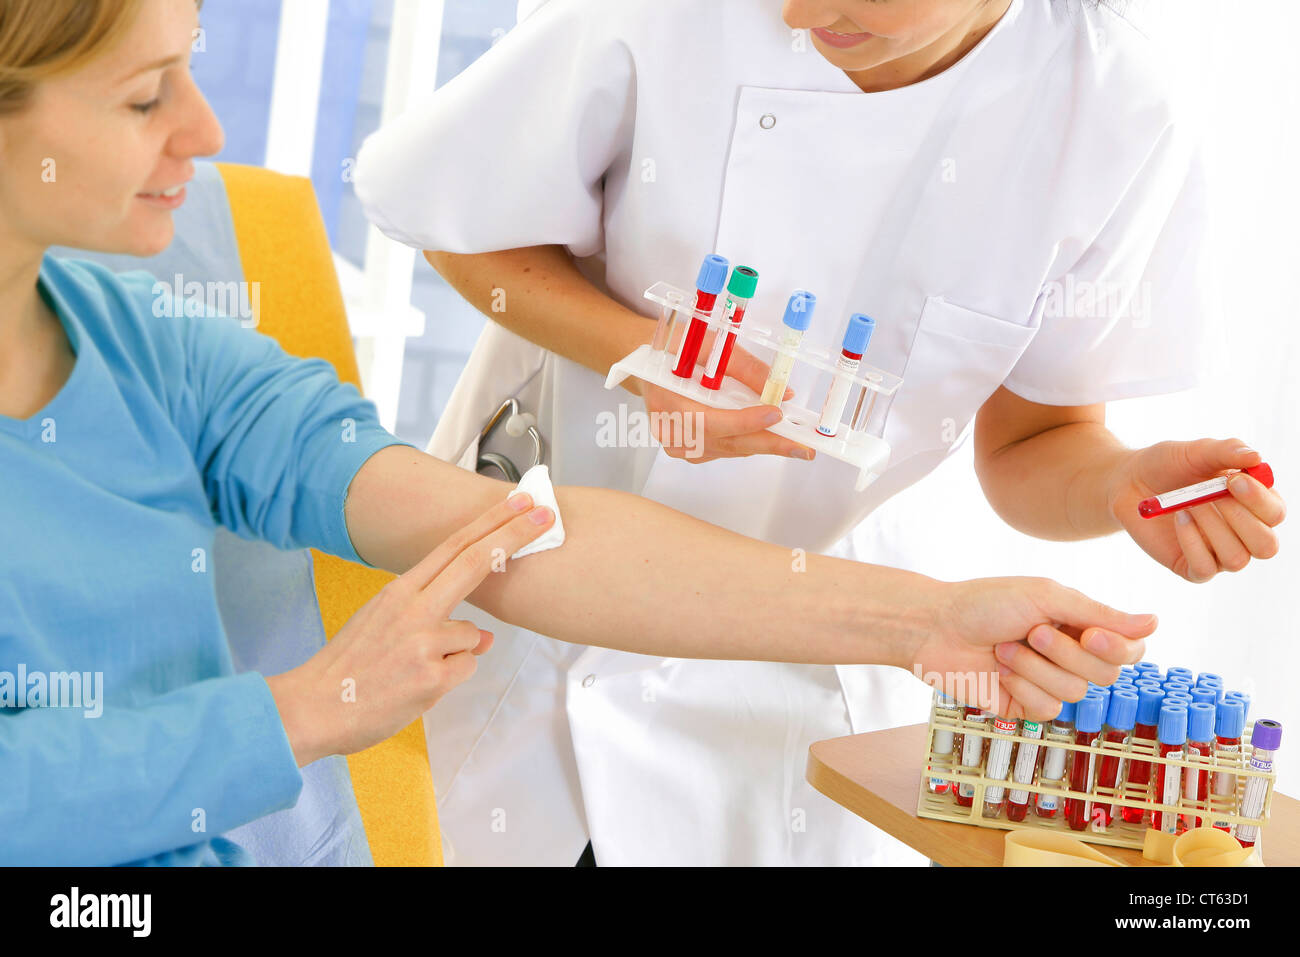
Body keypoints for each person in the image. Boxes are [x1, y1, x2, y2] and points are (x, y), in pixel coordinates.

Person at [0, 0, 1154, 866]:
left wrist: (934, 622)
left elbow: (514, 539)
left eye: (192, 70)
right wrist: (304, 711)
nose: (203, 132)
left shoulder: (158, 348)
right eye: (146, 96)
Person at [354, 0, 1287, 865]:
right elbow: (461, 221)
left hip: (786, 671)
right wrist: (644, 355)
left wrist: (1121, 484)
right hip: (527, 612)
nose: (797, 14)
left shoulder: (1113, 107)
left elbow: (1033, 444)